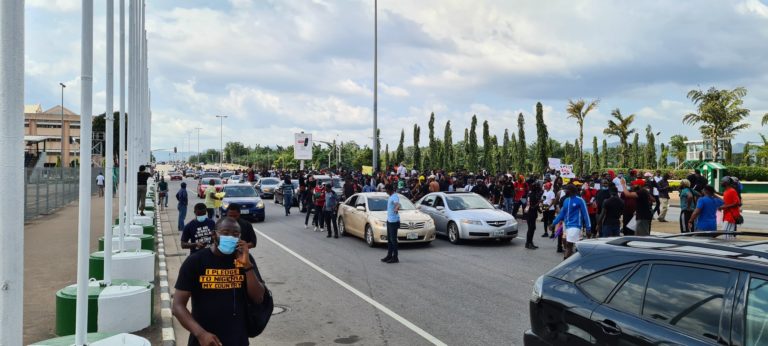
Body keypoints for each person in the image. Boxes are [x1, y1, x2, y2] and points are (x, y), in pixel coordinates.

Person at [172, 217, 267, 346]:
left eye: (235, 234)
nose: (230, 237)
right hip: (204, 341)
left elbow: (258, 298)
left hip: (238, 339)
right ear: (214, 234)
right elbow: (178, 306)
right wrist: (200, 334)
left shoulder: (244, 259)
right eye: (225, 233)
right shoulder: (196, 261)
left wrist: (247, 266)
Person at [549, 185, 590, 259]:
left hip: (575, 226)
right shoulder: (566, 200)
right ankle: (573, 261)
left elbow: (585, 214)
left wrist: (588, 228)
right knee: (567, 244)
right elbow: (561, 214)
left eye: (566, 190)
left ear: (571, 191)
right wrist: (553, 223)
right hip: (567, 226)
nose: (564, 191)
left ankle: (565, 265)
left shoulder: (580, 200)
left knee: (569, 245)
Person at [381, 184, 401, 263]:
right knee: (389, 240)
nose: (385, 191)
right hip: (389, 220)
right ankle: (389, 255)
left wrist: (396, 208)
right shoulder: (390, 196)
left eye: (386, 190)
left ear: (389, 190)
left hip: (394, 221)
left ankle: (395, 257)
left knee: (393, 240)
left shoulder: (395, 196)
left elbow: (398, 204)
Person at [524, 182, 542, 249]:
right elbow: (532, 206)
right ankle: (529, 243)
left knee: (532, 228)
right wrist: (539, 203)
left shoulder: (530, 193)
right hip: (531, 213)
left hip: (530, 213)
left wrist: (539, 210)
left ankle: (529, 242)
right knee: (531, 228)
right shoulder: (532, 194)